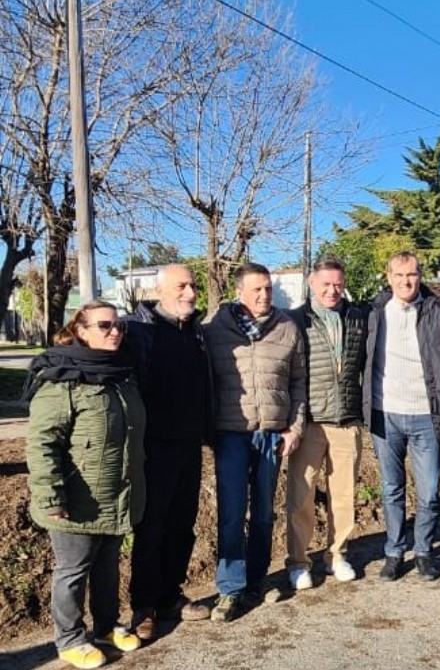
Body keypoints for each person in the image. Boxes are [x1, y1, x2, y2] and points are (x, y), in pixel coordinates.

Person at [26, 301, 146, 669]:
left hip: (115, 492)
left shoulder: (120, 374)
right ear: (81, 330)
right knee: (73, 570)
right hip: (76, 499)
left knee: (108, 565)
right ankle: (70, 638)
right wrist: (50, 495)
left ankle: (106, 627)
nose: (115, 332)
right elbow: (41, 442)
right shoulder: (62, 378)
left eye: (119, 327)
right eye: (105, 326)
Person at [204, 263, 306, 621]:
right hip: (231, 432)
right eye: (256, 290)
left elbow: (298, 382)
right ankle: (230, 589)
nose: (264, 296)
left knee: (263, 511)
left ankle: (256, 580)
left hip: (272, 434)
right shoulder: (213, 331)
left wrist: (294, 427)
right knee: (232, 513)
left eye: (268, 289)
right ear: (239, 293)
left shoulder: (287, 328)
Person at [126, 264, 213, 641]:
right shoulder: (139, 331)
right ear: (160, 290)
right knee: (152, 527)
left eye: (193, 285)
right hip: (152, 448)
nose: (190, 292)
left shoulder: (195, 332)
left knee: (183, 524)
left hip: (189, 444)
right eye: (181, 286)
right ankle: (143, 605)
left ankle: (169, 595)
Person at [364, 251, 440, 582]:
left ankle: (423, 551)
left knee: (430, 491)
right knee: (391, 489)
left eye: (413, 275)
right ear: (389, 277)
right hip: (385, 414)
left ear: (421, 277)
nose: (407, 281)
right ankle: (394, 552)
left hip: (426, 417)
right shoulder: (373, 313)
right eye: (400, 275)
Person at [285, 256, 368, 589]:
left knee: (344, 494)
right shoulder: (294, 320)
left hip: (346, 420)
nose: (333, 290)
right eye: (326, 284)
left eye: (338, 284)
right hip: (310, 421)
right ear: (311, 283)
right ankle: (298, 562)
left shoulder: (357, 318)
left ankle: (337, 555)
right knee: (301, 495)